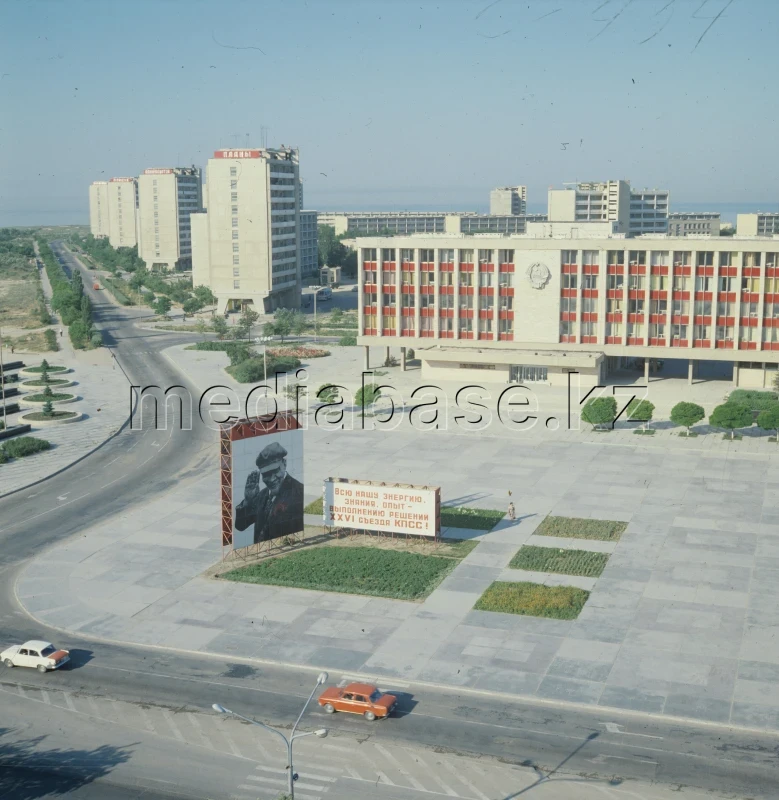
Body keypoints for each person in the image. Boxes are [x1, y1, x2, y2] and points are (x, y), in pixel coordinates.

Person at [235, 441, 304, 544]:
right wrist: (248, 502)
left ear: (284, 464)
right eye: (266, 474)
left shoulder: (299, 492)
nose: (271, 479)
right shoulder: (261, 496)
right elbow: (240, 525)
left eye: (275, 471)